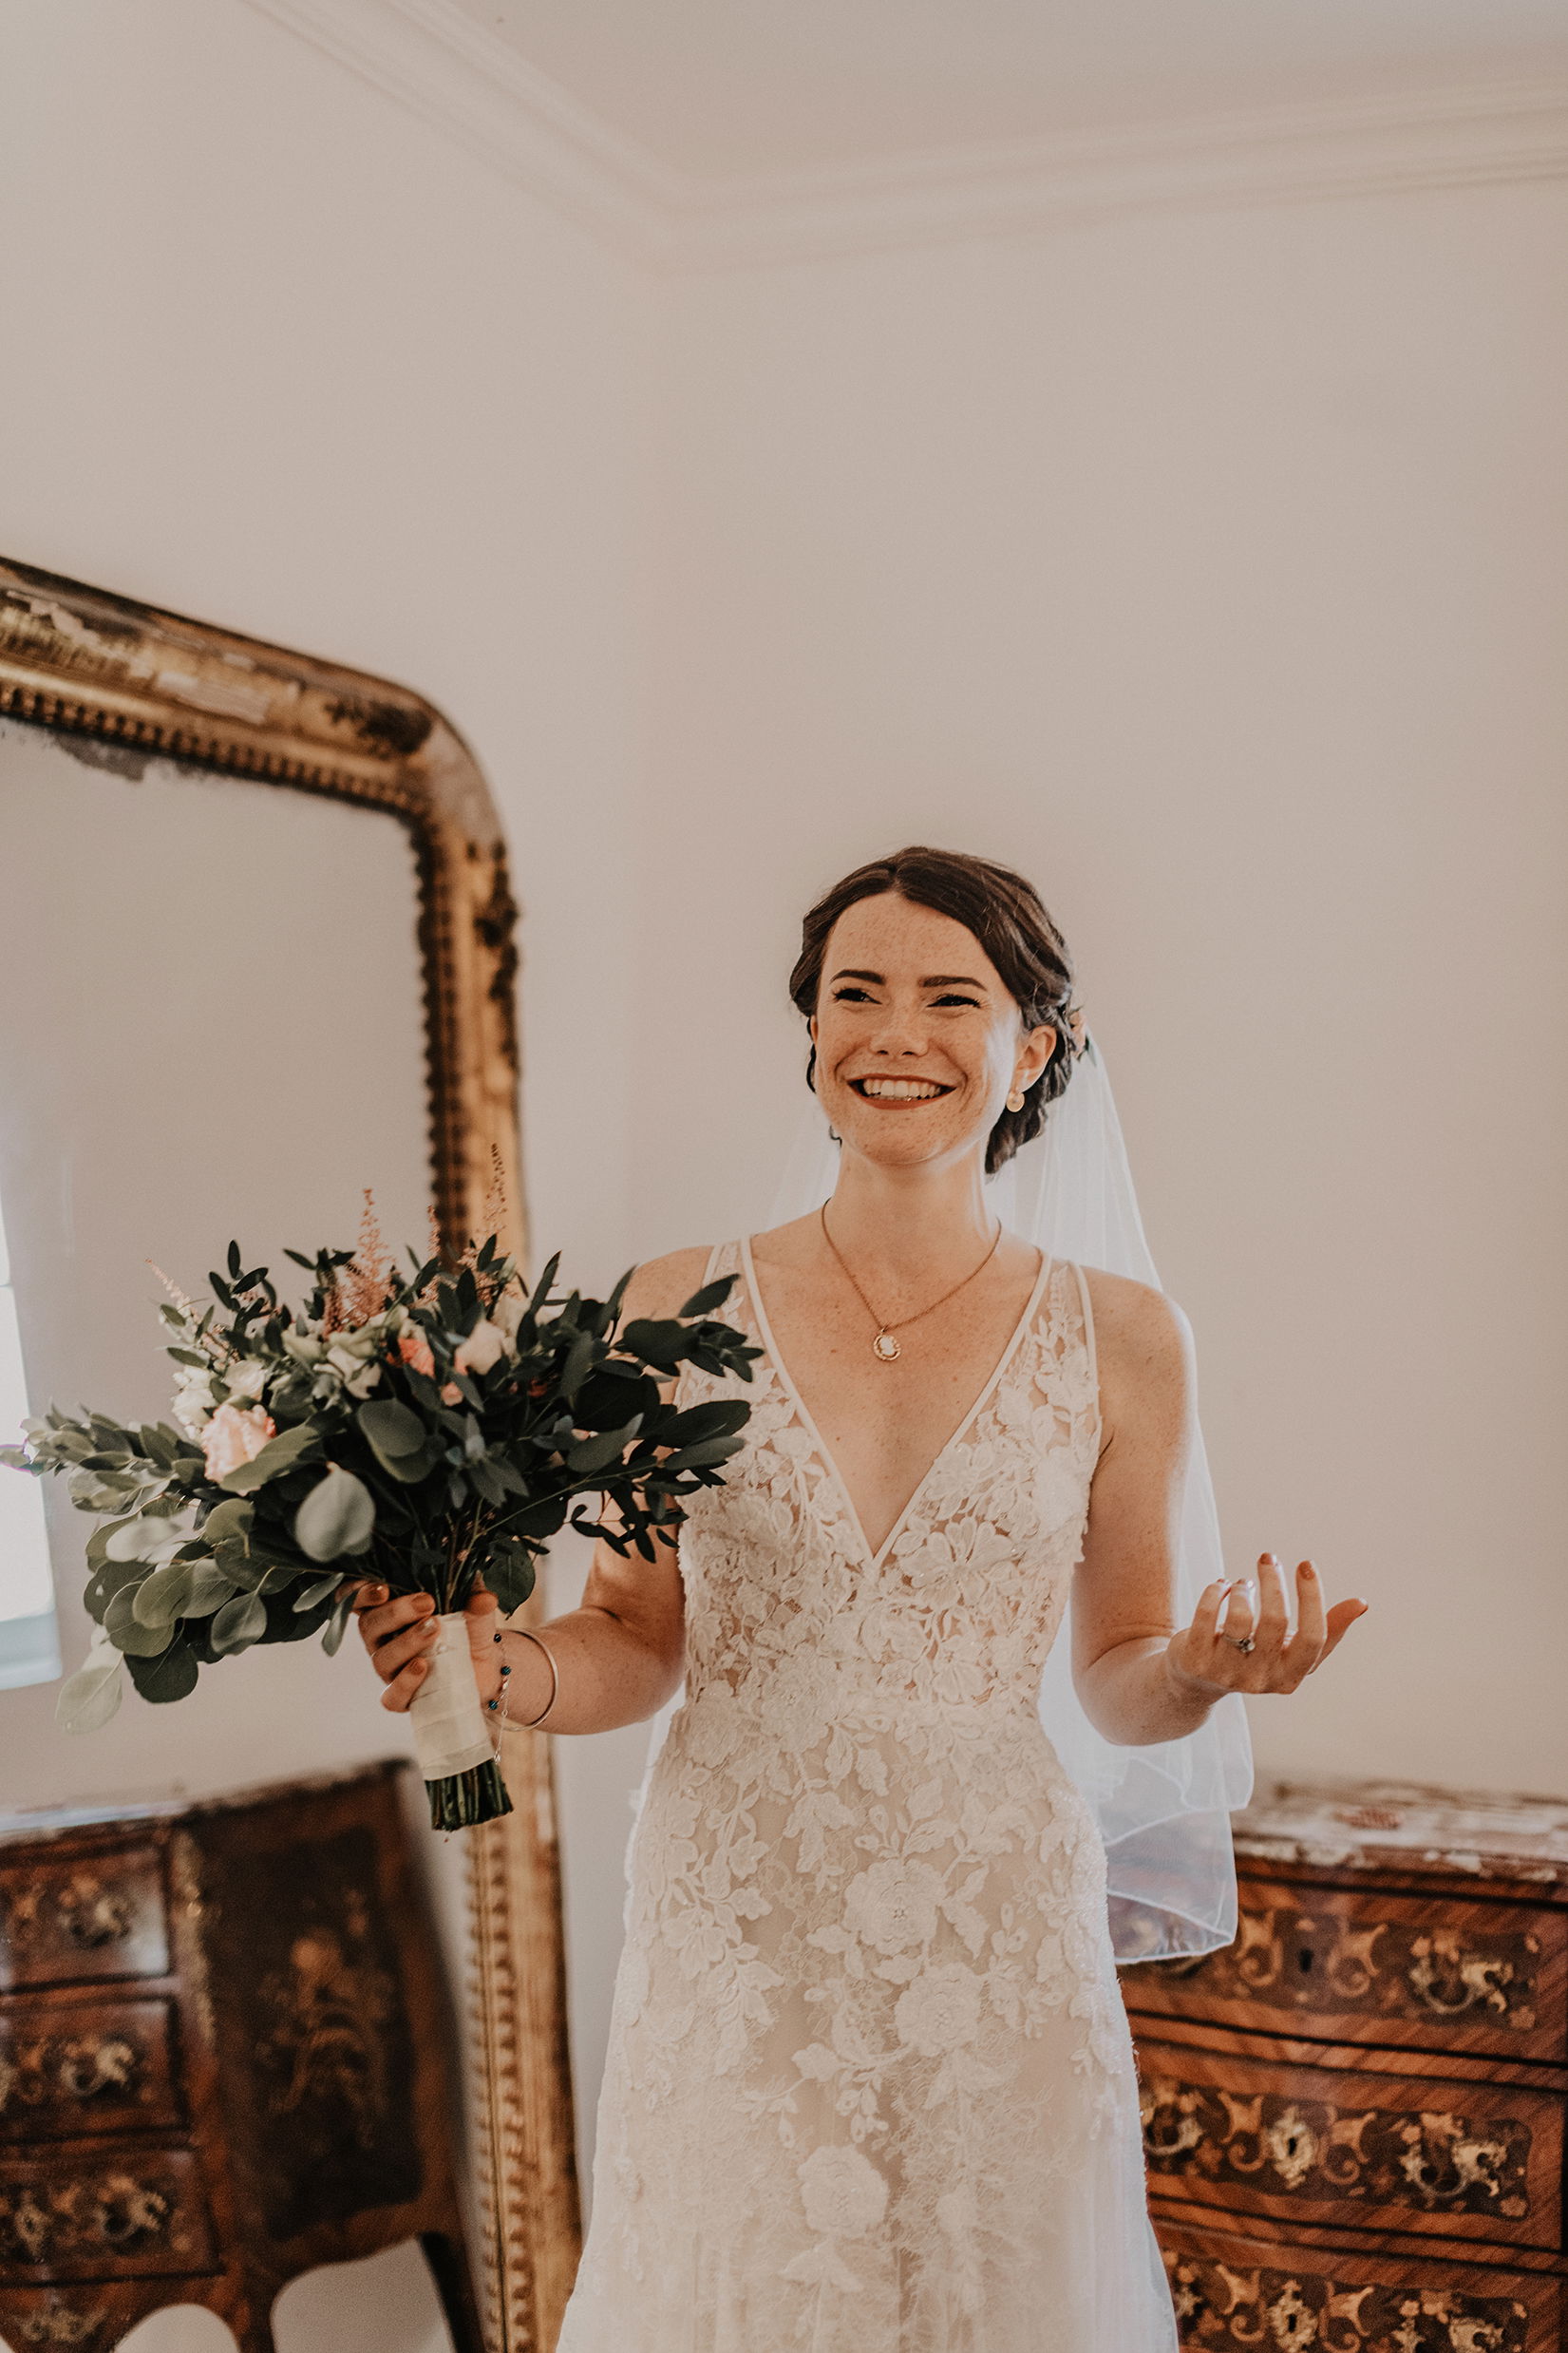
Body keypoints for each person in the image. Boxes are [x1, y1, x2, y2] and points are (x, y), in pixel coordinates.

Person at [355, 845, 1366, 2350]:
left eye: (953, 996)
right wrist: (497, 1667)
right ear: (811, 1040)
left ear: (1033, 1048)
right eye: (856, 994)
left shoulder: (1128, 1338)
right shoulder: (668, 1308)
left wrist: (1208, 1667)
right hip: (735, 1917)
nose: (897, 1033)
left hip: (991, 1922)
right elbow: (633, 1639)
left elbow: (1116, 1671)